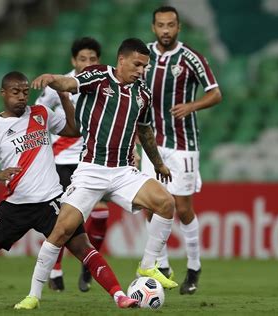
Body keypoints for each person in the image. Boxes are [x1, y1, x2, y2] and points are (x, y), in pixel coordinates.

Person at [0, 71, 138, 310]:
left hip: (50, 202)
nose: (22, 97)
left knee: (83, 247)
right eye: (15, 92)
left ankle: (120, 296)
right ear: (3, 93)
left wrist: (64, 98)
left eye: (25, 92)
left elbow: (73, 131)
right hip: (15, 204)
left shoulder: (40, 113)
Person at [15, 38, 179, 310]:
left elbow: (146, 131)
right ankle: (34, 294)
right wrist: (51, 79)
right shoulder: (100, 75)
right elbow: (69, 84)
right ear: (122, 60)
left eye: (145, 66)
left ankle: (148, 266)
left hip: (124, 171)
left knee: (166, 203)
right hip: (91, 169)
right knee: (61, 231)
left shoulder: (143, 94)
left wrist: (158, 163)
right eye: (137, 64)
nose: (141, 70)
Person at [141, 6, 222, 295]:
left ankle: (194, 265)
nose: (166, 30)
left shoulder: (191, 58)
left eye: (171, 25)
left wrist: (192, 106)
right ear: (153, 28)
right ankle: (162, 265)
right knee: (149, 205)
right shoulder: (143, 56)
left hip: (183, 144)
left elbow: (215, 92)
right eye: (161, 25)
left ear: (178, 28)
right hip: (152, 143)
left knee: (182, 207)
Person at [35, 37, 109, 293]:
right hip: (63, 161)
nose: (88, 63)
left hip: (94, 159)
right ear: (73, 61)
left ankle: (88, 267)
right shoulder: (60, 84)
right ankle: (55, 270)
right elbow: (39, 111)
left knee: (101, 214)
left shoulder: (105, 84)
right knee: (62, 220)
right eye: (82, 59)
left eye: (92, 59)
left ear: (98, 61)